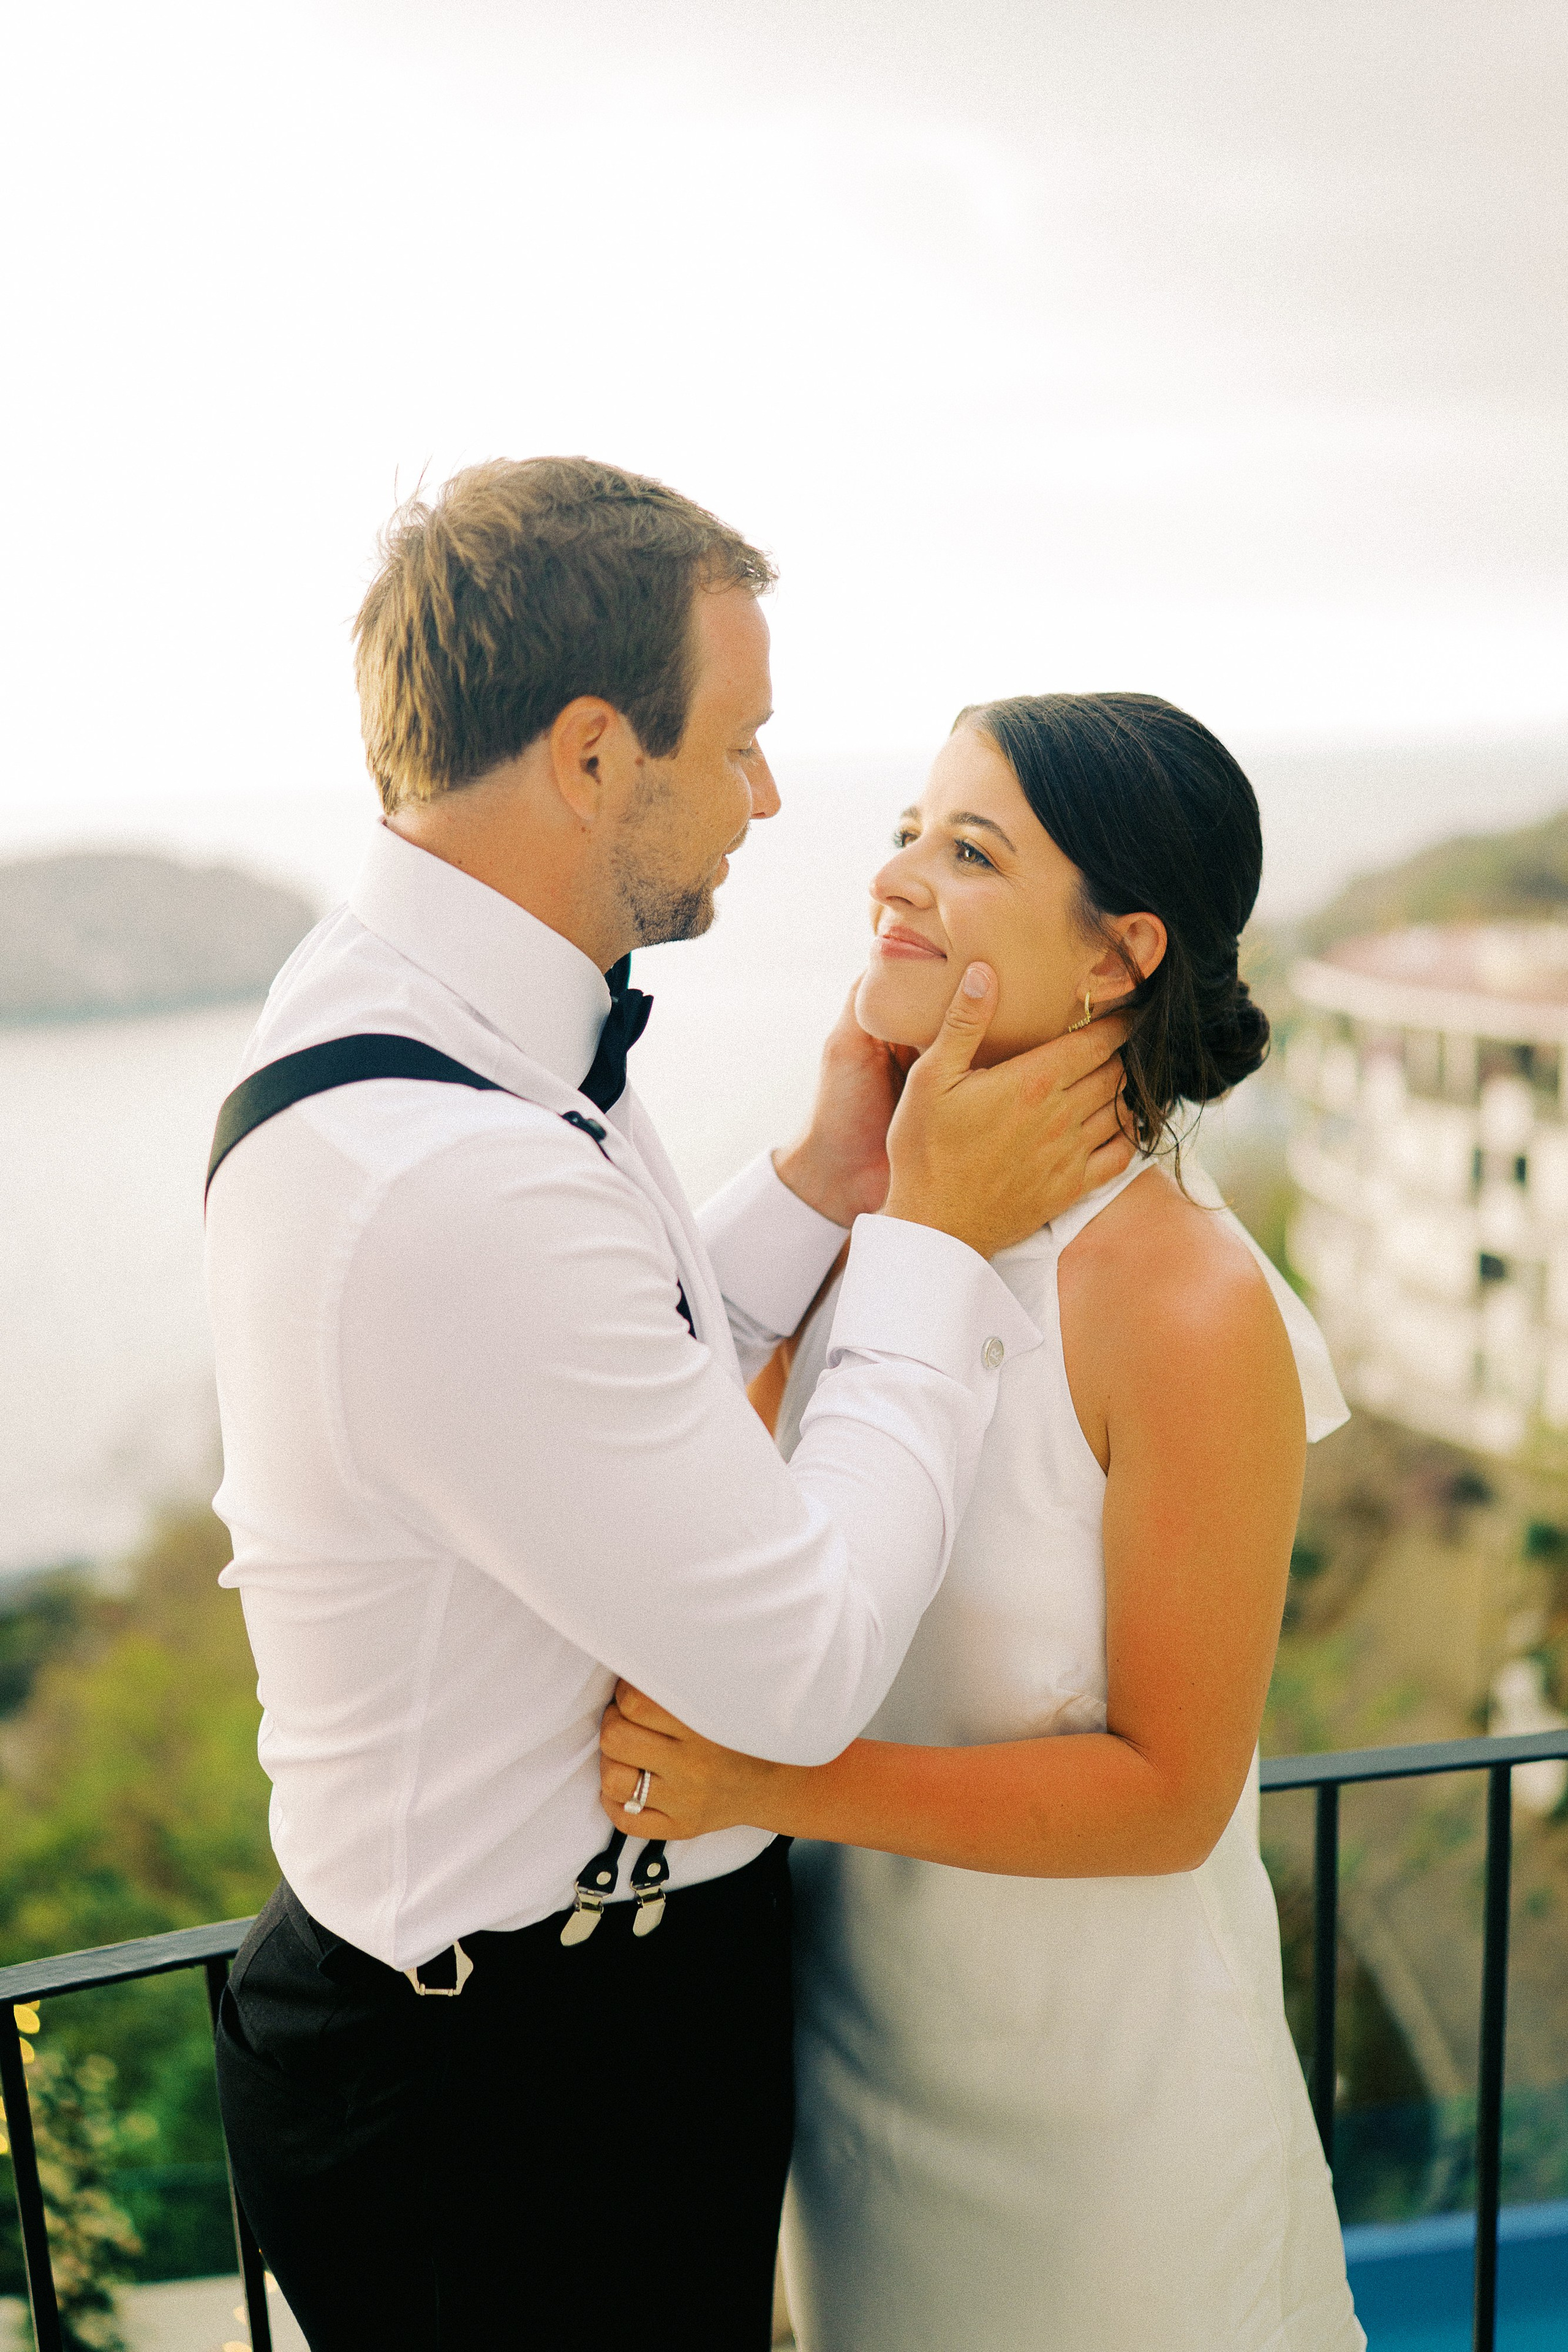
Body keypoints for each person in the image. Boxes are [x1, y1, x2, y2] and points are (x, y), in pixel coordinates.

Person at [203, 461, 1133, 2351]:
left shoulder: (451, 1029)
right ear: (595, 755)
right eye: (745, 742)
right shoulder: (445, 1174)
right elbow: (796, 1667)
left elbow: (601, 1388)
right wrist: (936, 1249)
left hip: (586, 2018)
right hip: (508, 2097)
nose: (773, 800)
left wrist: (816, 1189)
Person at [600, 692, 1366, 2352]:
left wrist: (771, 1782)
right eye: (904, 833)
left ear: (1117, 957)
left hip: (1106, 2137)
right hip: (858, 2084)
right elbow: (694, 1511)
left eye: (969, 850)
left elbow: (1172, 1796)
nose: (899, 875)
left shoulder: (1185, 1301)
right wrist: (834, 1169)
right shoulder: (875, 1225)